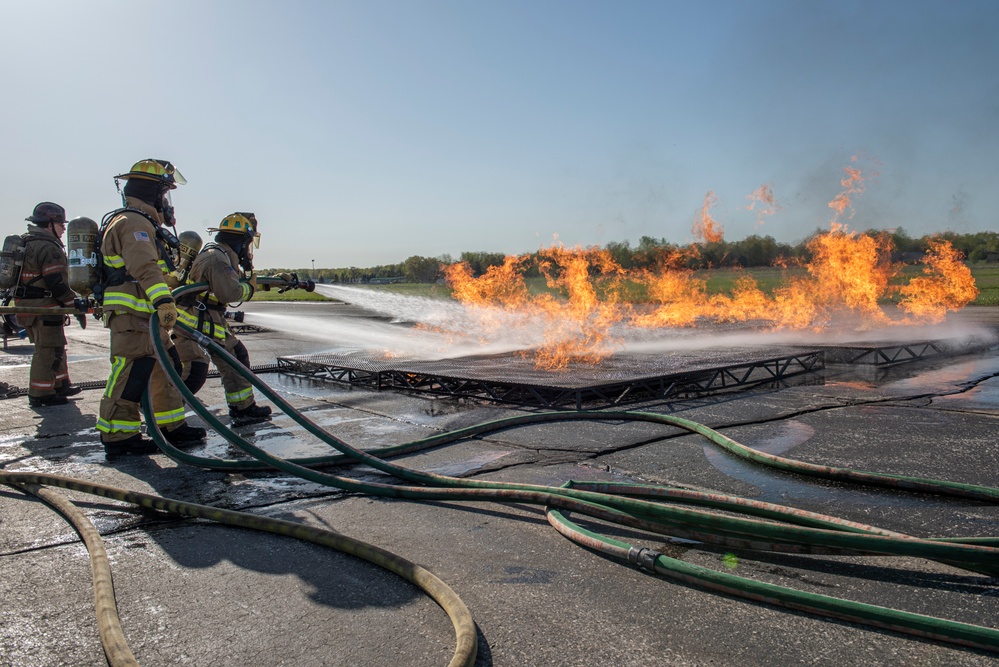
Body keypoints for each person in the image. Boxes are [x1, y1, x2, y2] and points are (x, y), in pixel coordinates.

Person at [95, 159, 207, 457]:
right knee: (131, 373)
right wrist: (163, 300)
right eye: (165, 194)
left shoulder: (143, 223)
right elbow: (143, 267)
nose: (167, 202)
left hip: (148, 318)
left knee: (166, 367)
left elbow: (154, 271)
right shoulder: (132, 223)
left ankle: (171, 427)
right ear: (152, 192)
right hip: (133, 316)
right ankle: (118, 437)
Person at [175, 212, 272, 426]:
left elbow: (229, 282)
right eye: (248, 242)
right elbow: (231, 292)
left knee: (236, 355)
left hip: (209, 320)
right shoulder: (216, 259)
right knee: (194, 370)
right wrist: (251, 287)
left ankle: (243, 408)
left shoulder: (222, 256)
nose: (249, 249)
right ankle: (163, 415)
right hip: (191, 321)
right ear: (241, 241)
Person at [16, 202, 88, 407]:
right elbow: (56, 281)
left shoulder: (28, 241)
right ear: (49, 223)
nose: (64, 228)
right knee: (47, 350)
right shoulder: (48, 247)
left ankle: (60, 385)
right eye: (60, 224)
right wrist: (74, 305)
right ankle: (41, 394)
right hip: (44, 307)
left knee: (56, 347)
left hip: (30, 307)